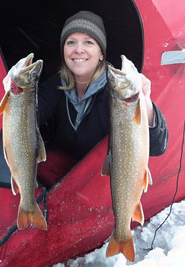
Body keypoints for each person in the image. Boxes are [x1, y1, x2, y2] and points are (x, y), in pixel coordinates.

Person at [37, 10, 168, 187]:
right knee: (44, 163)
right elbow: (33, 112)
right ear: (64, 51)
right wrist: (16, 97)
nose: (78, 49)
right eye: (71, 42)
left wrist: (145, 102)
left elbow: (158, 145)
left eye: (88, 42)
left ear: (101, 53)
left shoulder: (117, 89)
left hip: (103, 175)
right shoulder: (57, 83)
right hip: (67, 169)